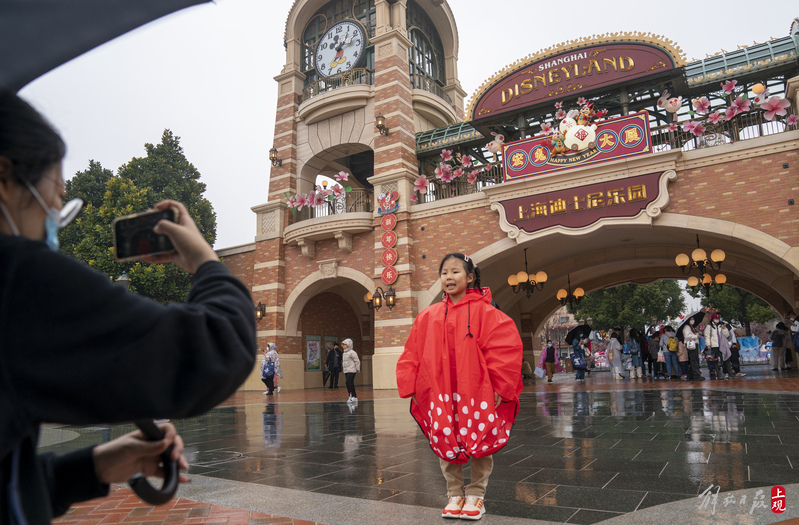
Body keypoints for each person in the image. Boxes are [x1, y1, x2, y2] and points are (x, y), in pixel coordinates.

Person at [0, 91, 257, 521]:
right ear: (5, 178)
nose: (56, 213)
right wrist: (204, 262)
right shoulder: (15, 281)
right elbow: (217, 349)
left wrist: (96, 466)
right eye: (56, 196)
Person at [396, 253, 523, 520]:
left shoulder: (489, 314)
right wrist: (411, 387)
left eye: (455, 272)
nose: (449, 277)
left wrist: (501, 387)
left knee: (481, 438)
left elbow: (505, 350)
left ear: (470, 277)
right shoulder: (427, 316)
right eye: (444, 273)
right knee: (445, 437)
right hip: (439, 391)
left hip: (477, 390)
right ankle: (455, 493)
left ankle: (476, 494)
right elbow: (412, 353)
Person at [341, 338, 360, 403]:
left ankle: (353, 396)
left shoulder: (352, 352)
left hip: (352, 370)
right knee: (349, 383)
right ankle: (351, 396)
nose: (344, 346)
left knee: (348, 382)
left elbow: (357, 361)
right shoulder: (344, 353)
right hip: (347, 370)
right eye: (343, 345)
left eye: (345, 345)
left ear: (349, 345)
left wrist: (357, 369)